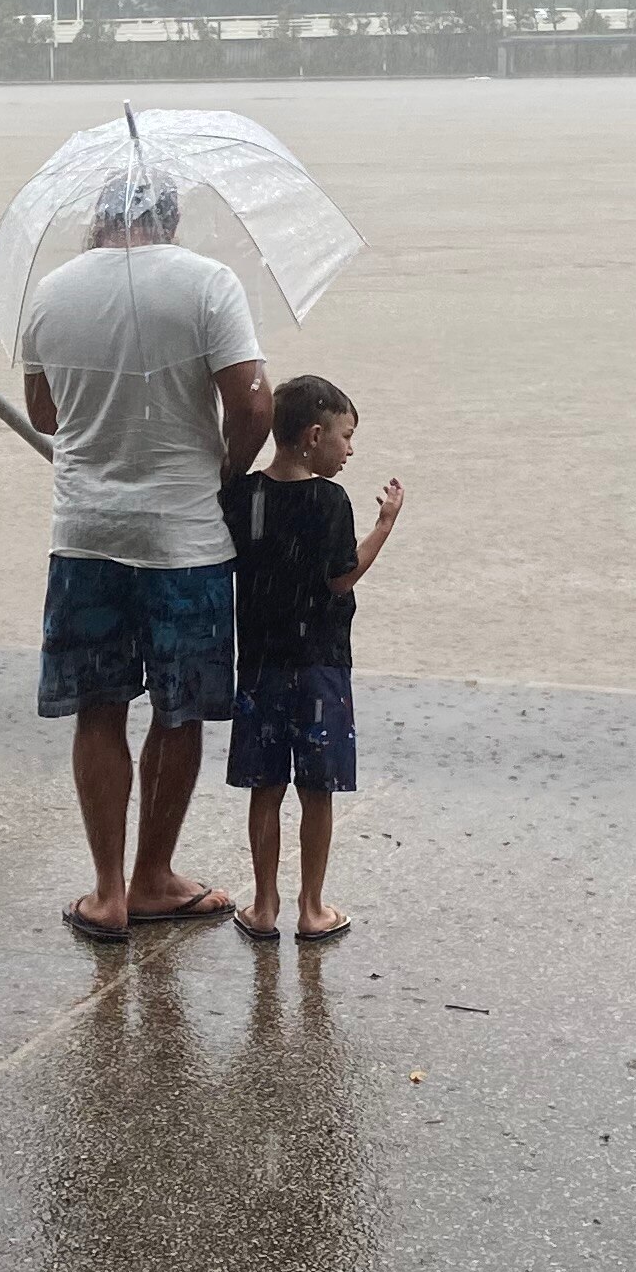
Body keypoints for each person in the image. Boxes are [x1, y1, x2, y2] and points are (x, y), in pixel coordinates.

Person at [21, 166, 273, 940]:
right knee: (179, 708)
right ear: (171, 220)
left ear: (98, 219)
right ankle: (154, 877)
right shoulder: (207, 283)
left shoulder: (51, 293)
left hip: (85, 535)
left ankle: (106, 894)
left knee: (98, 709)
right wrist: (227, 469)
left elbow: (44, 413)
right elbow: (253, 401)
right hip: (185, 539)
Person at [224, 374, 402, 941]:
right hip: (321, 666)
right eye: (346, 437)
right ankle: (312, 907)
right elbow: (339, 578)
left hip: (260, 664)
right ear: (315, 435)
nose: (350, 450)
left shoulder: (242, 495)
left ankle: (264, 905)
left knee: (266, 786)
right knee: (316, 789)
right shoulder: (329, 501)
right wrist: (384, 525)